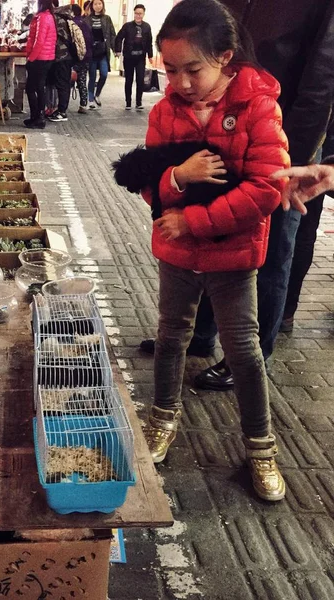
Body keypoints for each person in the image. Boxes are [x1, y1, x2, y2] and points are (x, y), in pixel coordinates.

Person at [139, 0, 334, 392]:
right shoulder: (174, 101)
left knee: (273, 251)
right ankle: (201, 331)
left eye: (189, 70)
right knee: (209, 239)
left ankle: (249, 352)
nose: (180, 79)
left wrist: (287, 161)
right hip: (218, 125)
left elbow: (321, 80)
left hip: (278, 140)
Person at [141, 0, 289, 501]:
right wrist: (177, 179)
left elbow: (268, 188)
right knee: (171, 336)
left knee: (244, 350)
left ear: (225, 57)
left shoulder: (259, 106)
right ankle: (162, 418)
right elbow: (146, 182)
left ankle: (261, 448)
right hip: (177, 251)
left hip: (232, 254)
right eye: (171, 70)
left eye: (193, 70)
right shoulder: (165, 112)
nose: (181, 83)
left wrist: (195, 220)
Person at [279, 120, 334, 331]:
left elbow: (316, 101)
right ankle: (284, 312)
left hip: (309, 143)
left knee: (300, 232)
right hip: (314, 150)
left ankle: (284, 311)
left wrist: (300, 155)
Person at [24, 0, 57, 129]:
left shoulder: (43, 18)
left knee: (32, 88)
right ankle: (37, 117)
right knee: (38, 87)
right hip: (46, 57)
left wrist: (31, 59)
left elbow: (39, 41)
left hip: (40, 58)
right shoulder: (49, 16)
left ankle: (37, 117)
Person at [115, 4, 153, 110]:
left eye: (140, 13)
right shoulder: (127, 26)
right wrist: (118, 50)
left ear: (144, 14)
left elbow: (149, 42)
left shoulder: (147, 27)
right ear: (134, 13)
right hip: (129, 57)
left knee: (140, 79)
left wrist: (150, 55)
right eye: (136, 13)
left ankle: (139, 102)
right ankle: (128, 102)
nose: (138, 15)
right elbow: (119, 38)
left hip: (141, 57)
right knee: (129, 80)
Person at [47, 4, 76, 122]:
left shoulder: (56, 18)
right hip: (66, 56)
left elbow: (54, 38)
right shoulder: (65, 17)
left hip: (61, 56)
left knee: (62, 84)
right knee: (62, 83)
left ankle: (62, 112)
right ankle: (58, 110)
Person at [84, 0, 115, 110]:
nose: (98, 6)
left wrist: (115, 49)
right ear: (92, 6)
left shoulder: (107, 18)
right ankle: (91, 100)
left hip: (103, 52)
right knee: (92, 76)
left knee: (104, 74)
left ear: (103, 5)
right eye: (95, 4)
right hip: (92, 53)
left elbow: (112, 34)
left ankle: (97, 94)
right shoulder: (87, 19)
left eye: (100, 4)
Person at [71, 4, 92, 115]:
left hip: (73, 57)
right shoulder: (85, 24)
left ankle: (61, 106)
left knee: (65, 82)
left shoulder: (72, 24)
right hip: (85, 57)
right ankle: (83, 104)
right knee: (82, 81)